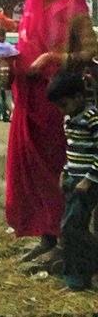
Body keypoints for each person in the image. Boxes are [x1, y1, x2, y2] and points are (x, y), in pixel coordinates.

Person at [7, 0, 97, 262]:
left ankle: (63, 242)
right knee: (33, 173)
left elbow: (89, 52)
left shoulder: (75, 8)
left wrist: (52, 58)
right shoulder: (30, 9)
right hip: (29, 98)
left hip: (59, 101)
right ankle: (45, 237)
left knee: (59, 168)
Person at [47, 71, 98, 290]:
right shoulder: (69, 119)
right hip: (73, 178)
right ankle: (75, 276)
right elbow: (72, 149)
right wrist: (65, 171)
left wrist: (89, 179)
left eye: (64, 105)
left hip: (87, 182)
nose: (62, 110)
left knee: (71, 228)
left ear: (78, 97)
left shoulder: (91, 118)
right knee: (69, 229)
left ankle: (79, 275)